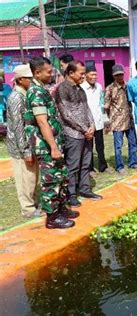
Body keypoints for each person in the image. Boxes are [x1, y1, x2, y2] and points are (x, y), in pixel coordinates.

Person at [24, 57, 77, 229]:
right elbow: (42, 122)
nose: (51, 73)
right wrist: (53, 147)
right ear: (37, 73)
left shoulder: (43, 89)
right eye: (48, 71)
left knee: (61, 176)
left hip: (54, 144)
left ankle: (61, 208)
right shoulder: (36, 92)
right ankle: (52, 218)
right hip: (46, 146)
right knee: (51, 180)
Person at [56, 60, 102, 207]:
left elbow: (87, 109)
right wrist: (84, 129)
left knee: (85, 163)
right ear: (70, 73)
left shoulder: (80, 89)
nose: (84, 76)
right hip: (73, 134)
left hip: (87, 133)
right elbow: (66, 114)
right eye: (81, 73)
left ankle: (85, 189)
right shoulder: (62, 89)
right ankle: (71, 194)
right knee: (73, 165)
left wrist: (92, 126)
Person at [6, 65, 40, 218]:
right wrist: (25, 150)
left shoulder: (25, 94)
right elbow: (18, 126)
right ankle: (28, 209)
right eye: (30, 79)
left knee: (32, 177)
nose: (32, 81)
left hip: (29, 143)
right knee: (25, 178)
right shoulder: (16, 98)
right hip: (20, 147)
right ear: (20, 80)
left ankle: (32, 202)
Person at [105, 64, 137, 175]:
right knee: (118, 146)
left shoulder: (129, 86)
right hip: (117, 122)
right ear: (113, 76)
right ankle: (120, 166)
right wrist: (112, 118)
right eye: (117, 75)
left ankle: (132, 163)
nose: (119, 77)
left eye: (121, 75)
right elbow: (106, 107)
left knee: (133, 143)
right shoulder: (109, 88)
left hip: (129, 120)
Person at [81, 64, 108, 173]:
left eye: (95, 75)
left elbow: (100, 102)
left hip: (98, 121)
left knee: (100, 146)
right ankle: (90, 168)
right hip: (88, 123)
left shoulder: (99, 86)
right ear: (86, 75)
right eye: (92, 74)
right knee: (89, 147)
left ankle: (103, 166)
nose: (94, 77)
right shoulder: (81, 87)